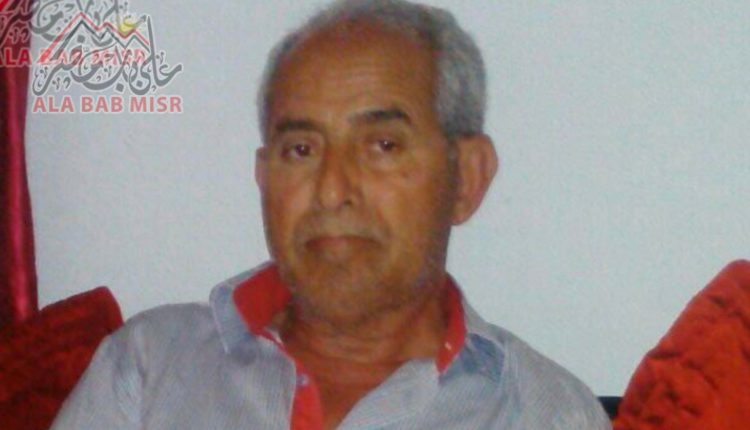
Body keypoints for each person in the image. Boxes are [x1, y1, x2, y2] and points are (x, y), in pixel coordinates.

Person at [52, 0, 611, 428]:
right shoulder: (149, 369)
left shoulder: (546, 412)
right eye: (301, 150)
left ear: (466, 177)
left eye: (382, 146)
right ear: (264, 177)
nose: (331, 190)